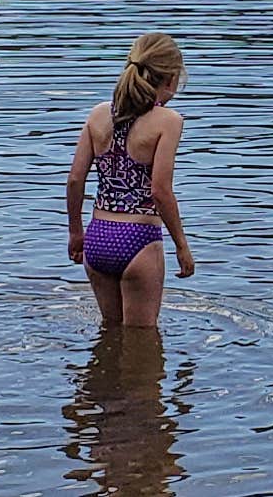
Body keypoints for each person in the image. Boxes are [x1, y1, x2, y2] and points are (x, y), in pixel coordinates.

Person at [67, 32, 197, 327]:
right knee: (143, 345)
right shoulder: (168, 121)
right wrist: (181, 245)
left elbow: (75, 179)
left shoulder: (99, 115)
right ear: (171, 79)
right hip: (138, 241)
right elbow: (161, 191)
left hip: (98, 237)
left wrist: (76, 232)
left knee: (111, 333)